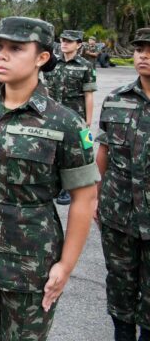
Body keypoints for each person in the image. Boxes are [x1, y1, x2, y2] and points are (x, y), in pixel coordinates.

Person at [0, 16, 100, 340]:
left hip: (30, 267)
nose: (1, 55)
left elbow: (84, 197)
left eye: (16, 48)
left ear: (42, 57)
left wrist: (66, 265)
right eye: (0, 46)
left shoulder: (65, 123)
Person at [95, 27, 150, 341]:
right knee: (120, 282)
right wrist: (94, 197)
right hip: (119, 213)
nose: (144, 55)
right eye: (140, 49)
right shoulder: (116, 100)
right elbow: (103, 151)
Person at [45, 30, 97, 206]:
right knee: (51, 149)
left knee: (78, 151)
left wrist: (88, 121)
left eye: (69, 41)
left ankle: (68, 188)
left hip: (76, 117)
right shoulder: (52, 64)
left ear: (79, 44)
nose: (65, 44)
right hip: (52, 114)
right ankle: (55, 185)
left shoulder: (85, 65)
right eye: (63, 40)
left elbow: (88, 94)